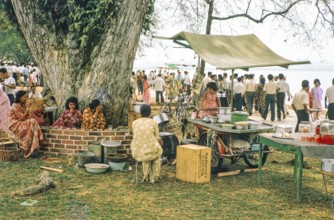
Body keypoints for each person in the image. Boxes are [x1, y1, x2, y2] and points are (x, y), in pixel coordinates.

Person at [8, 90, 46, 158]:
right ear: (19, 98)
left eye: (27, 97)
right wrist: (28, 108)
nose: (27, 99)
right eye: (25, 97)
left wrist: (29, 110)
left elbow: (29, 117)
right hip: (14, 125)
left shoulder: (24, 105)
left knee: (33, 123)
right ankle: (41, 139)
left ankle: (32, 149)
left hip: (22, 123)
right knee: (32, 122)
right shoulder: (15, 105)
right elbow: (21, 118)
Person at [130, 104, 163, 183]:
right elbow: (157, 137)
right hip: (149, 151)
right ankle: (154, 176)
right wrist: (160, 142)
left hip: (137, 151)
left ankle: (146, 174)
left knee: (147, 147)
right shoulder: (154, 122)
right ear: (150, 113)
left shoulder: (134, 123)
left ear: (140, 113)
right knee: (158, 150)